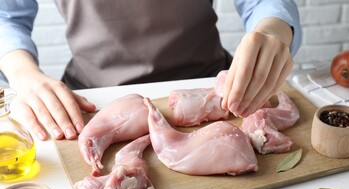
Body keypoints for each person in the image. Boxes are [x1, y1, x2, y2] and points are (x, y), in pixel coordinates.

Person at [0, 0, 301, 141]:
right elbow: (7, 15)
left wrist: (274, 28)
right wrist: (22, 72)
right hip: (93, 99)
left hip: (213, 86)